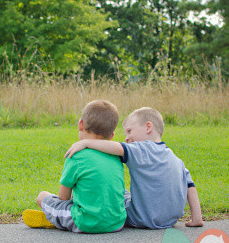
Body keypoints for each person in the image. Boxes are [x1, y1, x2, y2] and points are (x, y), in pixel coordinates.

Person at [64, 107, 203, 229]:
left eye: (129, 131)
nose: (127, 138)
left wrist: (87, 142)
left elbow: (118, 148)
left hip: (141, 218)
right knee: (124, 192)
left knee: (114, 193)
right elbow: (190, 187)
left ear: (148, 127)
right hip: (170, 220)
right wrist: (197, 218)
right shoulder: (176, 159)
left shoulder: (142, 150)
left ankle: (77, 204)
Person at [22, 100, 126, 233]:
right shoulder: (115, 156)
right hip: (117, 222)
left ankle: (55, 219)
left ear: (80, 124)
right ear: (111, 136)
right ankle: (59, 219)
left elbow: (63, 198)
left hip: (87, 223)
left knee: (42, 196)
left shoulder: (76, 155)